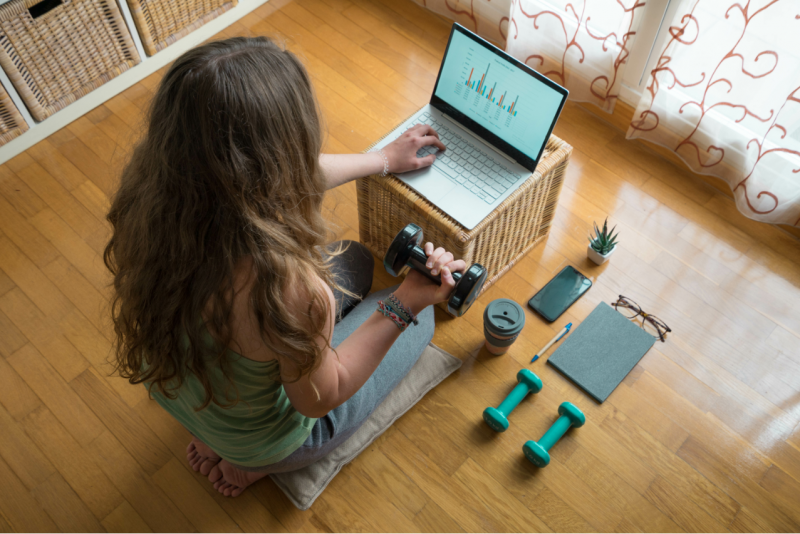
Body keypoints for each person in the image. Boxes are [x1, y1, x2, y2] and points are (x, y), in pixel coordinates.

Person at [104, 36, 464, 497]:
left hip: (193, 397)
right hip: (272, 438)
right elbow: (322, 399)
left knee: (353, 260)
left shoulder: (149, 204)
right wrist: (407, 301)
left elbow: (293, 174)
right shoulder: (287, 290)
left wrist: (383, 160)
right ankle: (259, 462)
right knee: (415, 317)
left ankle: (221, 432)